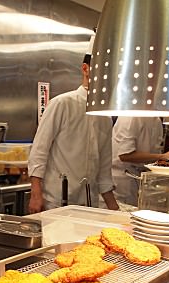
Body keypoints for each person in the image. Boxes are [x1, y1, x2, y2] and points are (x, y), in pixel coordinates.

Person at [28, 53, 119, 213]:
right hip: (57, 202)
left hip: (89, 205)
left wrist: (115, 210)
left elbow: (104, 170)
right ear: (85, 69)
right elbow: (39, 151)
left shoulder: (105, 116)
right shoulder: (62, 103)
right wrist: (36, 195)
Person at [111, 117, 169, 207]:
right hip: (123, 179)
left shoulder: (157, 120)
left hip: (142, 178)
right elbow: (125, 155)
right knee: (122, 215)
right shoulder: (130, 117)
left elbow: (153, 152)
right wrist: (163, 156)